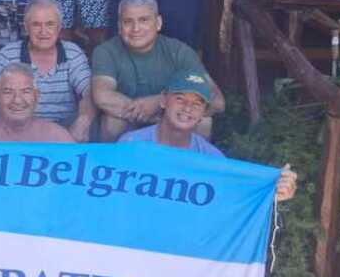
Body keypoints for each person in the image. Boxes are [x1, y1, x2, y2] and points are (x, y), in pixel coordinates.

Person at [119, 70, 298, 202]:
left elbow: (231, 198)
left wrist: (271, 193)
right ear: (164, 100)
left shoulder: (212, 159)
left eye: (197, 103)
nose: (187, 108)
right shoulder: (131, 144)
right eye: (180, 99)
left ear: (204, 111)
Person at [91, 0, 224, 142]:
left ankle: (187, 164)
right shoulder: (106, 51)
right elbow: (102, 95)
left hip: (172, 120)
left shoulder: (179, 51)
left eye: (143, 20)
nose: (136, 28)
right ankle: (112, 164)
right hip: (129, 120)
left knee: (204, 123)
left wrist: (158, 103)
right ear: (119, 26)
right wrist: (145, 111)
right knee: (113, 122)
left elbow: (217, 100)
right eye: (128, 21)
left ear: (158, 23)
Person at [0, 0, 95, 141]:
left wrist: (83, 121)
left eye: (50, 24)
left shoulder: (72, 52)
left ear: (59, 27)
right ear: (26, 27)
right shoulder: (8, 54)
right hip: (19, 129)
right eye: (36, 25)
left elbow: (89, 92)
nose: (43, 31)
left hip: (64, 131)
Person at [0, 63, 76, 143]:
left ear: (36, 97)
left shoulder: (56, 137)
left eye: (26, 91)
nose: (17, 100)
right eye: (8, 92)